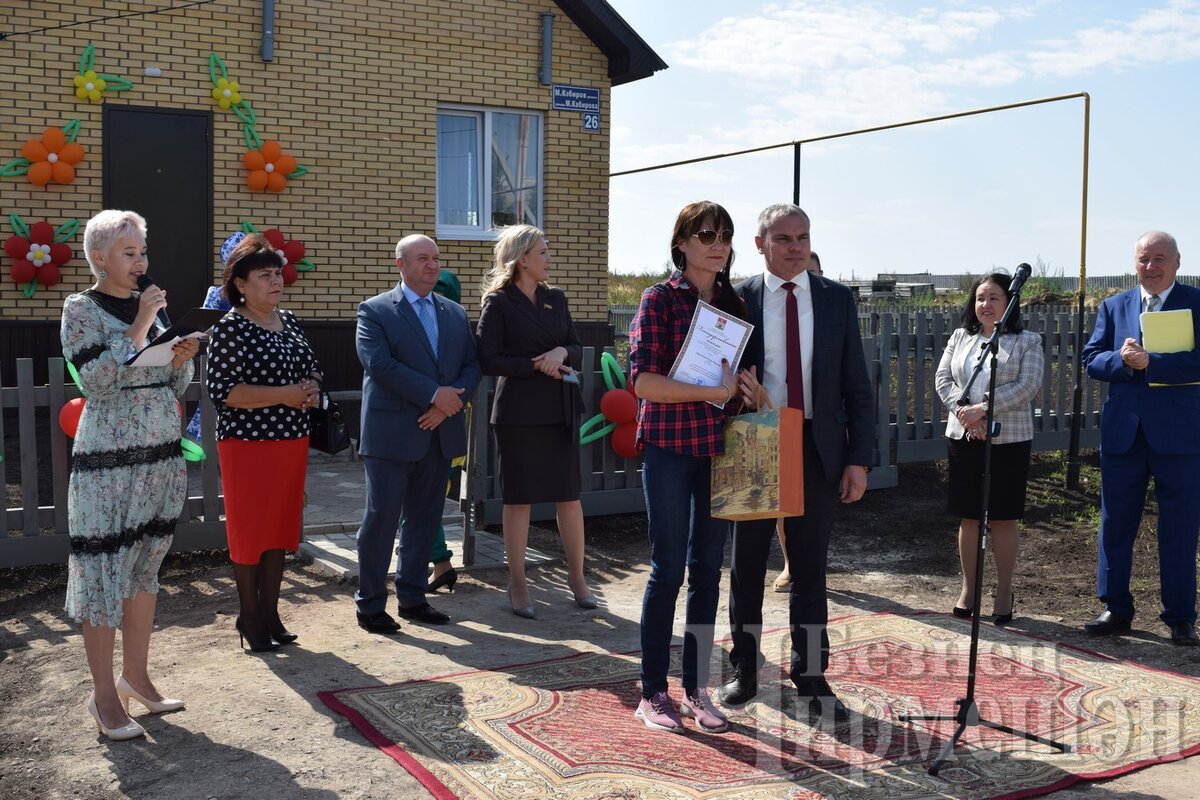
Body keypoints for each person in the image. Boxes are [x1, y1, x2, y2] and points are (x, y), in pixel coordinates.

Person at [716, 203, 874, 722]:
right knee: (747, 565)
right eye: (783, 238)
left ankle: (811, 675)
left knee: (809, 567)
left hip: (816, 443)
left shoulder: (835, 300)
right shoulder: (735, 298)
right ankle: (744, 669)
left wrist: (858, 460)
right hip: (754, 440)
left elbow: (857, 384)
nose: (796, 247)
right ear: (760, 244)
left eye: (803, 237)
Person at [61, 209, 198, 740]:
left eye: (143, 251)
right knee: (103, 574)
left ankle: (136, 678)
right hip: (109, 463)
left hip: (161, 455)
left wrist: (181, 355)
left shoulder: (154, 309)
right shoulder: (80, 308)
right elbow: (97, 380)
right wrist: (142, 324)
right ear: (100, 258)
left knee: (144, 568)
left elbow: (168, 381)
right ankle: (102, 699)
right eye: (130, 252)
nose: (141, 262)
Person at [629, 200, 755, 734]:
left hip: (717, 448)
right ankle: (653, 692)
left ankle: (696, 689)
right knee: (668, 569)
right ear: (681, 242)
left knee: (708, 570)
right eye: (706, 234)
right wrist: (710, 391)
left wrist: (746, 393)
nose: (718, 243)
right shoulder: (658, 299)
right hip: (668, 448)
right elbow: (644, 384)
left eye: (725, 234)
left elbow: (739, 390)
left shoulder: (733, 305)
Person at [353, 234, 480, 634]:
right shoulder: (375, 311)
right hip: (391, 434)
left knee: (425, 520)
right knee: (382, 520)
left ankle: (412, 597)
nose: (432, 265)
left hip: (438, 433)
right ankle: (370, 604)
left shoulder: (455, 313)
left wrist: (447, 405)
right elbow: (380, 365)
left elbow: (472, 367)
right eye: (422, 258)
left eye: (436, 258)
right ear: (400, 265)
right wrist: (433, 395)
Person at [1080, 231, 1200, 647]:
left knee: (1180, 528)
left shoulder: (1197, 304)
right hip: (1124, 435)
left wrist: (1155, 362)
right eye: (1144, 259)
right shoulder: (1114, 306)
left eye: (1159, 258)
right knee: (1115, 525)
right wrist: (1124, 361)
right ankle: (1115, 607)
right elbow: (1091, 358)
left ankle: (1181, 616)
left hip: (1180, 437)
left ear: (1178, 262)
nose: (1151, 267)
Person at [205, 234, 322, 652]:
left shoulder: (288, 320)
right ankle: (249, 615)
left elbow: (311, 368)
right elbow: (224, 391)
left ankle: (271, 612)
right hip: (246, 444)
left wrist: (310, 389)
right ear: (239, 283)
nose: (276, 281)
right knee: (250, 531)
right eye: (264, 275)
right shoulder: (230, 326)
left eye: (278, 274)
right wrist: (285, 394)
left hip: (291, 440)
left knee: (279, 528)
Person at [475, 225, 594, 618]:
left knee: (569, 497)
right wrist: (533, 365)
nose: (550, 258)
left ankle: (577, 579)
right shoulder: (498, 302)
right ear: (522, 258)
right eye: (543, 252)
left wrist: (561, 351)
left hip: (559, 408)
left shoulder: (556, 299)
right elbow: (488, 360)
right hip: (519, 414)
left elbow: (575, 347)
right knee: (519, 498)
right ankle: (518, 583)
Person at [934, 273, 1043, 626]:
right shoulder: (960, 337)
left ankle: (1004, 591)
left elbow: (1028, 386)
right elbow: (942, 379)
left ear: (1009, 303)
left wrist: (984, 407)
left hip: (1009, 440)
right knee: (968, 514)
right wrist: (967, 415)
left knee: (1002, 516)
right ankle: (969, 589)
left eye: (994, 298)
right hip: (965, 435)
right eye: (980, 298)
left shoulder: (1027, 341)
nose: (986, 305)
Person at [423, 268, 467, 594]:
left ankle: (439, 561)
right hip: (450, 430)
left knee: (419, 504)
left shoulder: (440, 326)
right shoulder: (459, 325)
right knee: (427, 502)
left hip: (432, 428)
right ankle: (439, 563)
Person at [185, 231, 240, 442]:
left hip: (251, 361)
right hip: (221, 360)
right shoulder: (216, 294)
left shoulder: (257, 294)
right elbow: (203, 328)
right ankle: (215, 460)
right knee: (213, 410)